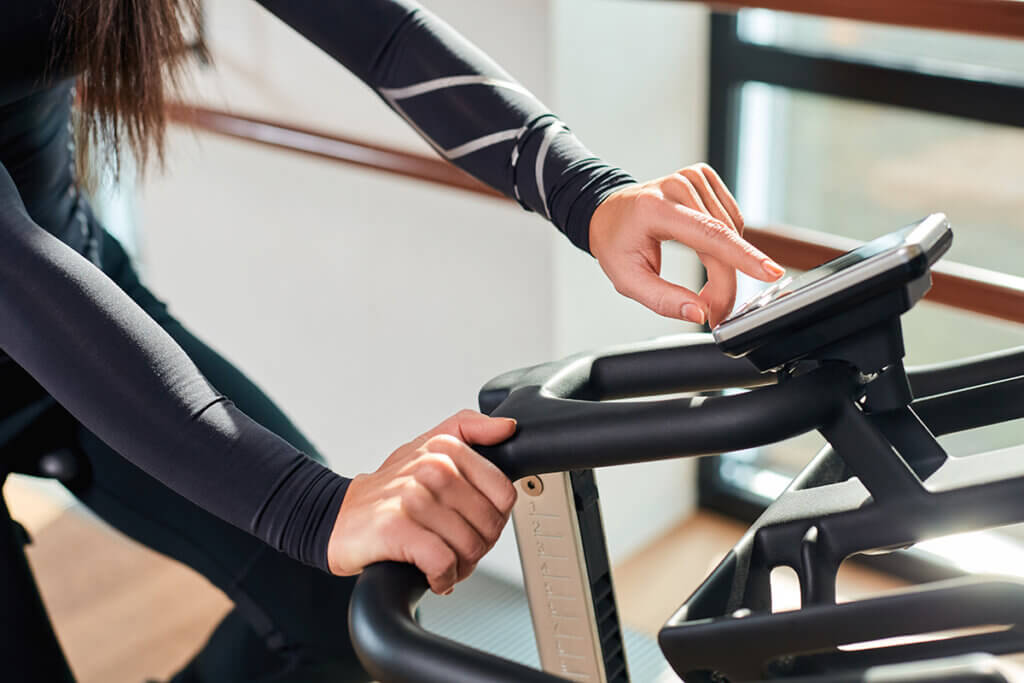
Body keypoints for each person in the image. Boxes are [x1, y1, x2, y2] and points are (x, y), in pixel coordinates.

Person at [0, 0, 784, 681]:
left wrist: (590, 196)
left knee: (336, 615)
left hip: (78, 311)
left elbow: (382, 36)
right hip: (29, 292)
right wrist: (313, 509)